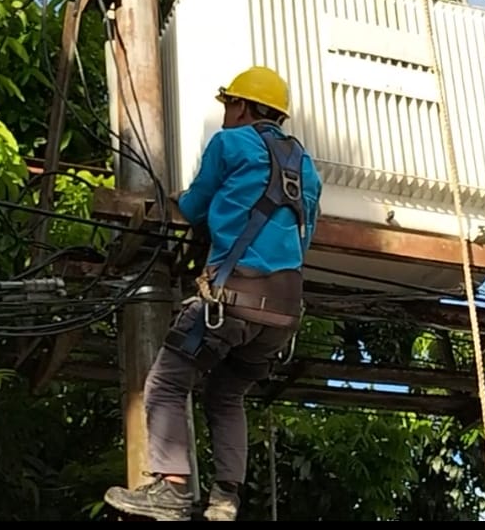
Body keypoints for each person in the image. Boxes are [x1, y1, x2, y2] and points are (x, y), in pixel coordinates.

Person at [102, 66, 323, 522]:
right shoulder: (307, 167)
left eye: (228, 105)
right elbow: (307, 233)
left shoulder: (229, 144)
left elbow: (193, 206)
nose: (225, 114)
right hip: (284, 313)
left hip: (233, 299)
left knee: (164, 384)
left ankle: (173, 490)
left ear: (242, 106)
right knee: (226, 394)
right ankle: (225, 499)